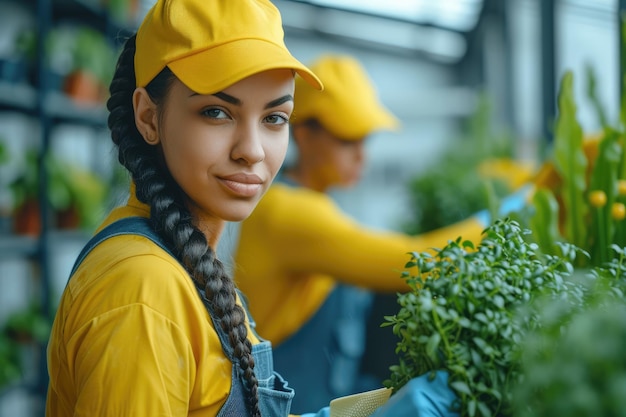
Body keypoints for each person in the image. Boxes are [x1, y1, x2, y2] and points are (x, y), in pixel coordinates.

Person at [44, 1, 462, 416]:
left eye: (274, 118)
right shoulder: (142, 292)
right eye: (216, 112)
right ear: (148, 118)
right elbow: (411, 262)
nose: (252, 150)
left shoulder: (186, 268)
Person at [230, 54, 530, 414]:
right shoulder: (287, 212)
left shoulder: (312, 203)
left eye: (365, 141)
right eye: (347, 140)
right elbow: (416, 262)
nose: (361, 156)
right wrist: (516, 212)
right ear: (304, 133)